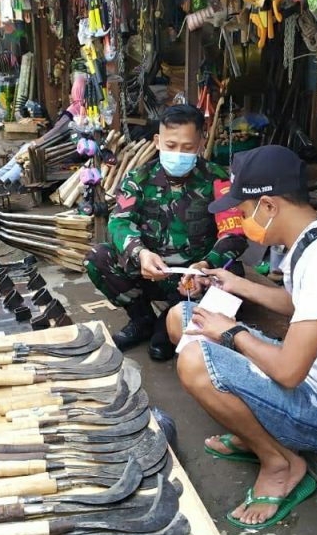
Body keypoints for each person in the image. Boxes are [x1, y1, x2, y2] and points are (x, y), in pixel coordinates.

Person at [167, 145, 317, 529]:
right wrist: (233, 283)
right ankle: (254, 431)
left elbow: (289, 373)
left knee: (194, 359)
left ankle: (280, 463)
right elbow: (295, 305)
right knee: (183, 317)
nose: (241, 222)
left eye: (243, 212)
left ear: (269, 206)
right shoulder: (315, 236)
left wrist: (232, 332)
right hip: (311, 377)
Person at [85, 104, 247, 360]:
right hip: (152, 273)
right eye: (171, 146)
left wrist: (205, 266)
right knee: (98, 257)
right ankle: (143, 319)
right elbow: (119, 222)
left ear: (201, 143)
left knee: (234, 274)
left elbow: (234, 233)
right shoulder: (139, 178)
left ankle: (171, 319)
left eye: (188, 147)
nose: (178, 153)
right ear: (158, 142)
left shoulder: (217, 179)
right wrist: (140, 253)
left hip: (197, 277)